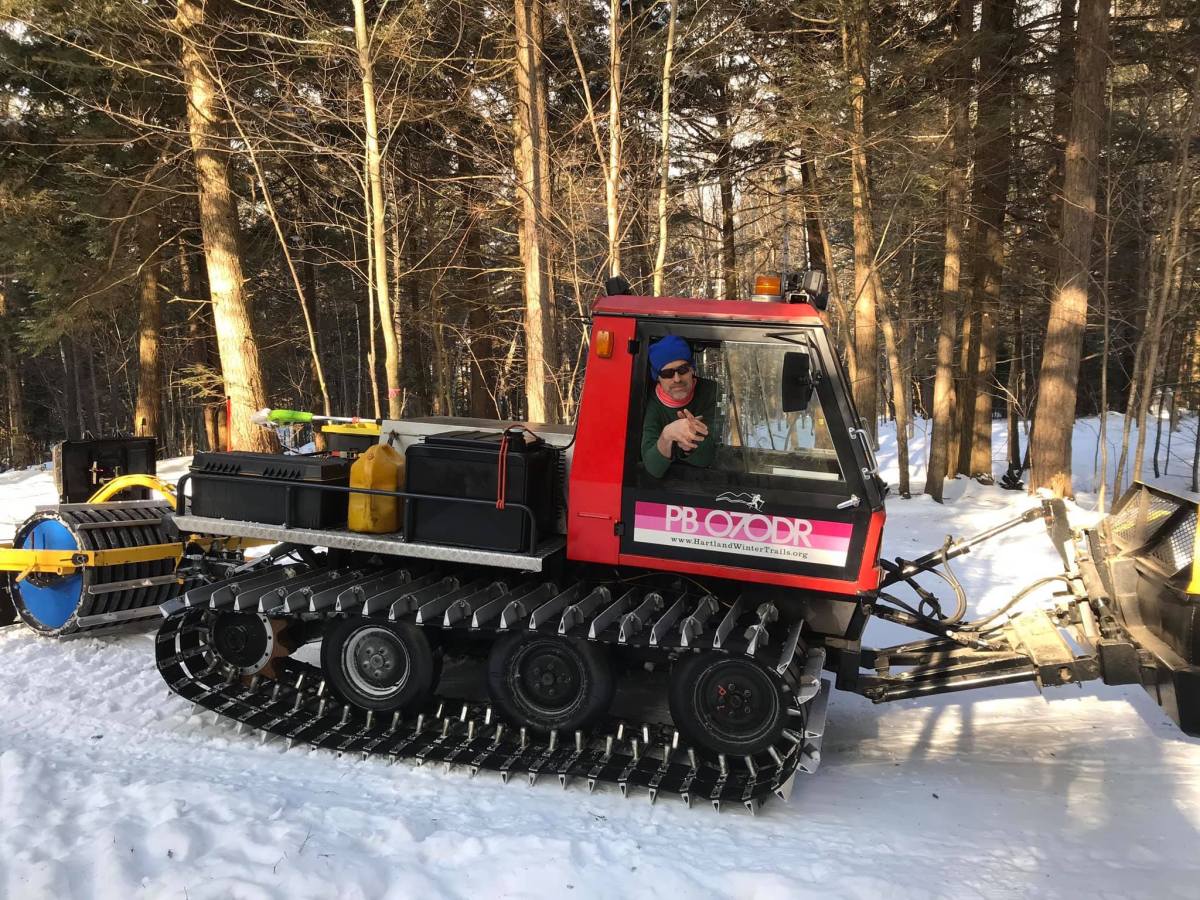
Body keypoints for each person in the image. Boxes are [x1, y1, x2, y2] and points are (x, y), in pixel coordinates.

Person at [641, 335, 719, 478]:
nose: (677, 379)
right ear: (657, 377)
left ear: (692, 369)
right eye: (667, 373)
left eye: (682, 370)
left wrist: (689, 442)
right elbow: (652, 468)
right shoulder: (647, 400)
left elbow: (712, 456)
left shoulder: (712, 392)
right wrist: (667, 435)